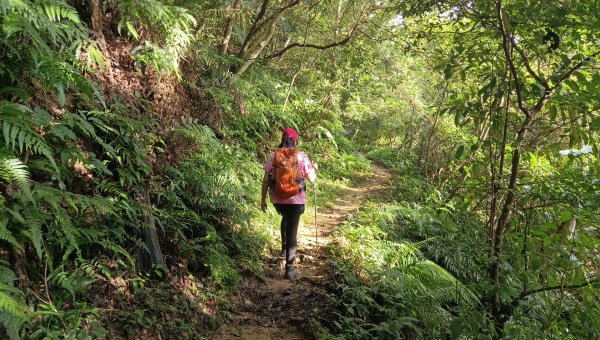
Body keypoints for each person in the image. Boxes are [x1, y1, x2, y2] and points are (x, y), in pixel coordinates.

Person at [261, 127, 316, 279]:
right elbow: (312, 179)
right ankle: (289, 269)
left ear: (282, 139)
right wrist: (314, 169)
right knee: (293, 229)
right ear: (295, 140)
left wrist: (262, 200)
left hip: (278, 199)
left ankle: (284, 250)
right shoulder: (302, 156)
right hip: (296, 199)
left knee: (285, 218)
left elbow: (266, 179)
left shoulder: (274, 155)